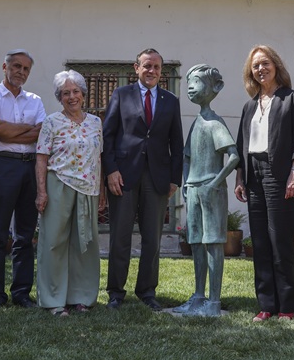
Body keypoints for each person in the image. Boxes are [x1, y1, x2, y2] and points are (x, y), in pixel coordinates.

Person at [103, 48, 184, 311]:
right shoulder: (121, 94)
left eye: (157, 67)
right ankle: (116, 292)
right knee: (120, 236)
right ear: (136, 67)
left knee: (152, 238)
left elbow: (176, 142)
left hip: (157, 177)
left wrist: (175, 179)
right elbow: (108, 135)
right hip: (123, 175)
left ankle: (147, 291)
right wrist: (110, 170)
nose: (152, 71)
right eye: (147, 66)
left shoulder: (170, 100)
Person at [234, 45, 294, 322]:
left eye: (265, 63)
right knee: (260, 242)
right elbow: (242, 145)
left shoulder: (292, 99)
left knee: (280, 240)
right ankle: (266, 304)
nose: (260, 69)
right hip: (254, 175)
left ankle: (287, 305)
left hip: (280, 174)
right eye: (255, 66)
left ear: (276, 65)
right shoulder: (249, 106)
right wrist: (240, 178)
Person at [0, 49, 46, 314]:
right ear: (4, 67)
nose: (21, 72)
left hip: (30, 168)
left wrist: (8, 130)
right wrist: (18, 130)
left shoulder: (35, 100)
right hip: (1, 166)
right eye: (16, 66)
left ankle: (21, 293)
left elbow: (41, 133)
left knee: (25, 235)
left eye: (26, 68)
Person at [34, 70, 105, 316]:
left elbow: (98, 158)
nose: (72, 97)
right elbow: (41, 158)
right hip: (58, 184)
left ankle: (81, 297)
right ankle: (53, 300)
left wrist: (101, 190)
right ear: (59, 97)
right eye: (66, 93)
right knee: (54, 242)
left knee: (85, 244)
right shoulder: (51, 122)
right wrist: (41, 192)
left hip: (88, 188)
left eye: (75, 91)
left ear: (83, 94)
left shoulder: (95, 122)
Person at [176, 64, 240, 317]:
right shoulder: (196, 123)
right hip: (193, 189)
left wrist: (214, 183)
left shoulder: (215, 123)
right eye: (189, 82)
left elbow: (233, 156)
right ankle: (198, 296)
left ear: (214, 87)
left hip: (210, 190)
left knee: (213, 243)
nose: (191, 87)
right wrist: (186, 183)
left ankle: (213, 301)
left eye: (197, 81)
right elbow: (186, 157)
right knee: (196, 243)